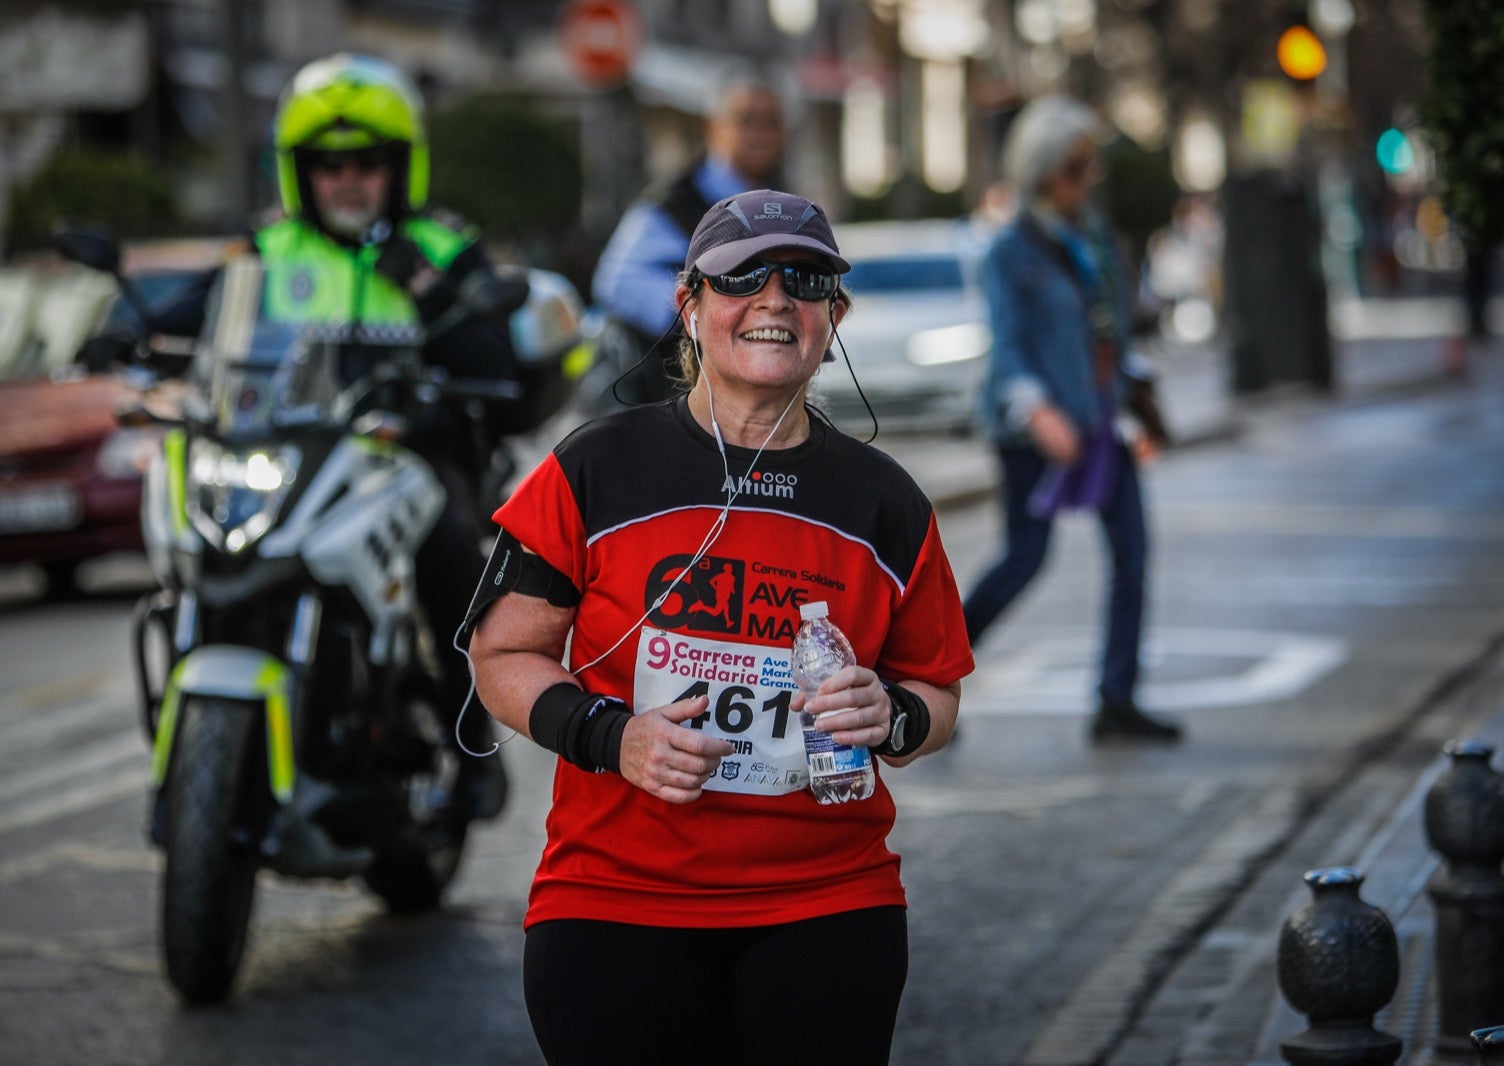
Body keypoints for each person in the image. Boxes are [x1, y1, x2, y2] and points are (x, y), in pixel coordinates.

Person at [464, 189, 975, 1065]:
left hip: (828, 906)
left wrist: (891, 717)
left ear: (834, 315)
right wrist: (608, 735)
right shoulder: (594, 466)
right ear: (690, 305)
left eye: (805, 280)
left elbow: (938, 690)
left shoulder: (885, 501)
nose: (775, 300)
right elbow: (500, 652)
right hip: (614, 904)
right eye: (742, 277)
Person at [155, 53, 515, 817]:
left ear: (397, 168)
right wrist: (119, 329)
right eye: (328, 166)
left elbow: (495, 359)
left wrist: (421, 281)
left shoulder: (443, 247)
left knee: (451, 552)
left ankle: (470, 747)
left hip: (409, 456)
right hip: (295, 450)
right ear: (300, 173)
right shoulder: (268, 250)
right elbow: (188, 319)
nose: (346, 181)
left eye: (365, 164)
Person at [961, 95, 1182, 744]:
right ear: (1043, 169)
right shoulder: (1010, 250)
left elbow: (1112, 334)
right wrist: (1038, 412)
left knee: (1133, 556)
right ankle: (922, 677)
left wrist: (1135, 404)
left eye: (1092, 165)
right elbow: (1008, 348)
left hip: (1100, 426)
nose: (1088, 178)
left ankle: (1116, 700)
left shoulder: (1100, 242)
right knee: (1024, 560)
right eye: (1075, 166)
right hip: (1032, 431)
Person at [588, 79, 786, 405]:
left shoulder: (780, 204)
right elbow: (616, 281)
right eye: (746, 120)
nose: (760, 134)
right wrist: (705, 312)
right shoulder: (672, 205)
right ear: (713, 127)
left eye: (771, 122)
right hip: (678, 397)